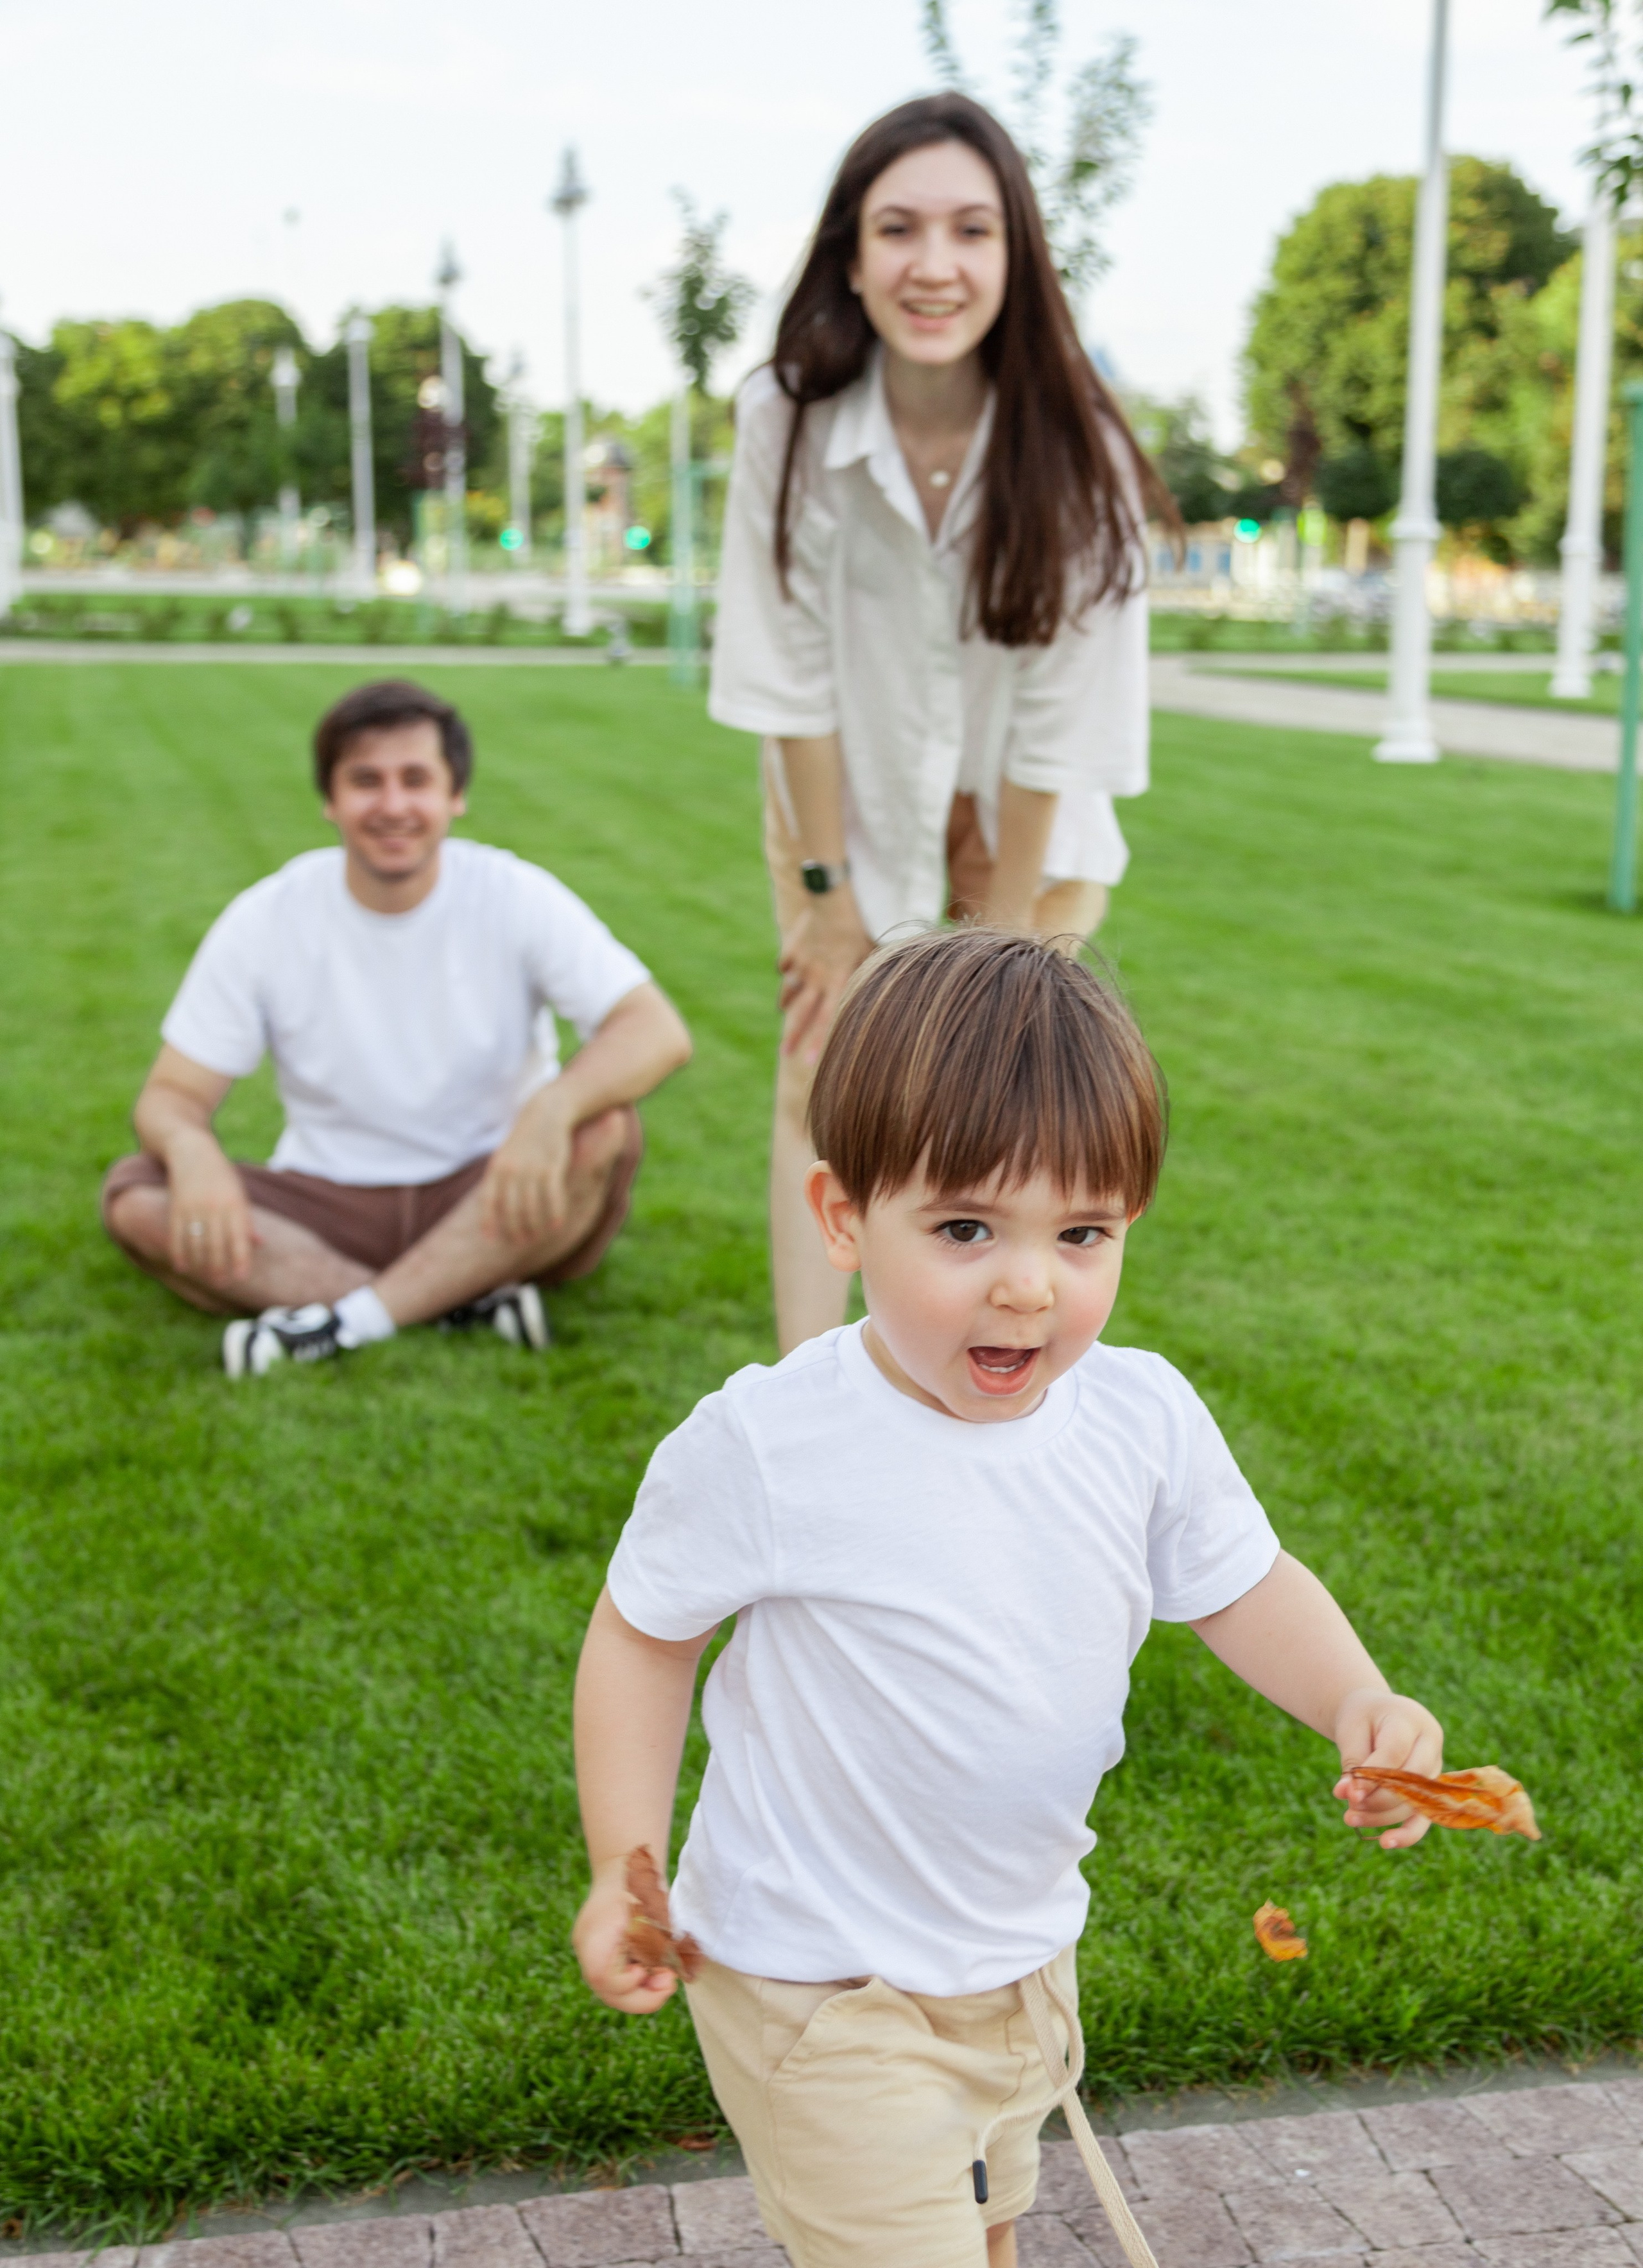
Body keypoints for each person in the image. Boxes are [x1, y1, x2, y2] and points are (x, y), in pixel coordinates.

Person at [571, 929, 1443, 2268]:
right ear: (843, 1219)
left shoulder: (1137, 1418)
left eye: (1079, 1233)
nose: (1028, 1283)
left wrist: (1354, 1697)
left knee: (988, 2235)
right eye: (966, 1228)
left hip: (1015, 1959)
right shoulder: (770, 1443)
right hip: (818, 1986)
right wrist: (620, 1868)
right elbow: (642, 1637)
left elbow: (1240, 1584)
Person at [708, 91, 1176, 1355]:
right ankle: (806, 1395)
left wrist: (1005, 935)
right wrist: (825, 899)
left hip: (1028, 821)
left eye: (971, 231)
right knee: (823, 1079)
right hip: (834, 806)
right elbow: (788, 675)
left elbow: (1059, 727)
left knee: (1008, 1116)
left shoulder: (1071, 439)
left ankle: (983, 1391)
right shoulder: (782, 419)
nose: (933, 265)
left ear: (1014, 258)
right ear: (849, 257)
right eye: (898, 228)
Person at [101, 678, 692, 1377]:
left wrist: (552, 1108)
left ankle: (340, 1320)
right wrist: (192, 1150)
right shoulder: (269, 916)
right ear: (330, 800)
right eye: (366, 781)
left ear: (454, 796)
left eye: (416, 780)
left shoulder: (512, 893)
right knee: (138, 1193)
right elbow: (171, 1095)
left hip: (490, 1189)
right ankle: (456, 1303)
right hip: (330, 1200)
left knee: (604, 1129)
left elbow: (656, 1030)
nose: (392, 805)